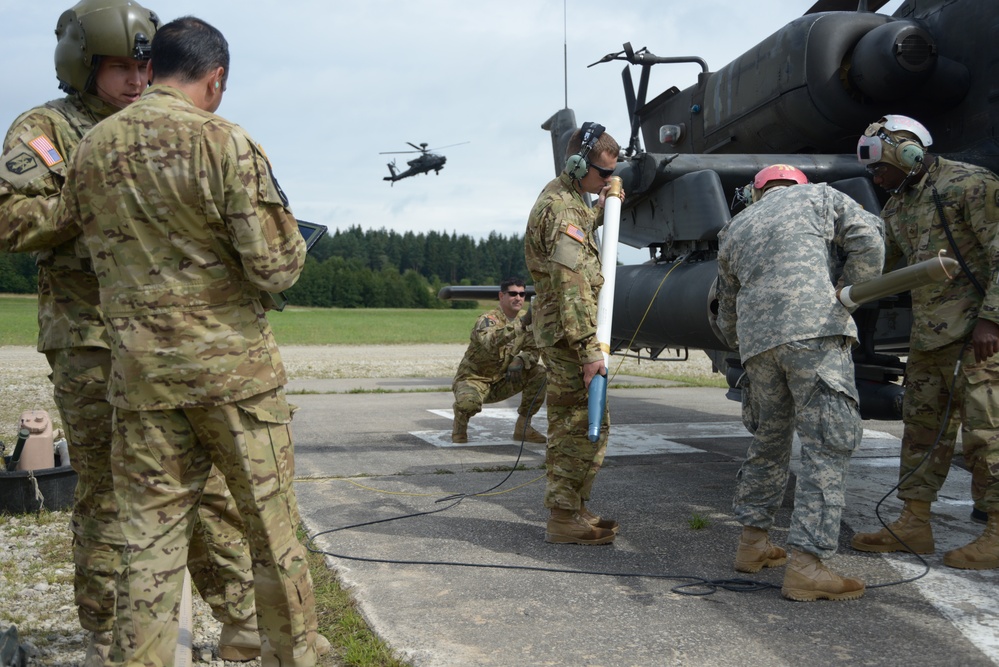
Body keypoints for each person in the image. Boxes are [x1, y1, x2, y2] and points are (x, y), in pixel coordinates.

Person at [54, 15, 323, 665]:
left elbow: (83, 245)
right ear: (215, 78)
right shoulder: (226, 143)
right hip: (233, 376)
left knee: (147, 542)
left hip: (143, 378)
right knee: (271, 530)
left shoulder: (92, 148)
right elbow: (276, 267)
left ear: (150, 70)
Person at [0, 2, 261, 663]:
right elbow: (11, 222)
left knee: (203, 484)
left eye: (144, 66)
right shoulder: (47, 128)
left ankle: (234, 622)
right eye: (120, 68)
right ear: (83, 67)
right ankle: (112, 631)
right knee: (111, 490)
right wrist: (95, 193)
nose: (137, 80)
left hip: (175, 335)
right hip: (89, 335)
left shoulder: (174, 124)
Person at [716, 164, 884, 601]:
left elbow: (725, 306)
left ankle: (752, 546)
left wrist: (748, 341)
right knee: (827, 445)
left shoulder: (735, 226)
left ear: (758, 192)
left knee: (769, 442)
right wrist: (847, 297)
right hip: (814, 330)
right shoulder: (821, 197)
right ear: (798, 185)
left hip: (758, 345)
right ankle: (807, 565)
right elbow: (868, 238)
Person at [851, 115, 999, 570]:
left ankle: (996, 531)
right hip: (931, 339)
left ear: (906, 151)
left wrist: (992, 319)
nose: (876, 176)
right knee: (921, 436)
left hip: (979, 338)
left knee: (986, 434)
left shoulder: (970, 184)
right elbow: (881, 271)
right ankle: (914, 522)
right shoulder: (898, 207)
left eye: (880, 165)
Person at [525, 122, 621, 546]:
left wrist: (604, 204)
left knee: (575, 421)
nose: (608, 179)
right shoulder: (564, 211)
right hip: (570, 335)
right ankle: (564, 516)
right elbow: (571, 284)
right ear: (578, 164)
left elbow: (579, 234)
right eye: (603, 173)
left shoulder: (570, 201)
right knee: (579, 424)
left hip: (562, 330)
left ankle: (574, 508)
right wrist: (588, 350)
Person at [451, 277, 547, 444]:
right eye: (513, 294)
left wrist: (520, 360)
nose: (518, 298)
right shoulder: (488, 319)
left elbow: (533, 350)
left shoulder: (527, 320)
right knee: (468, 404)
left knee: (539, 373)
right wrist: (522, 324)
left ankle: (523, 428)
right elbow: (490, 342)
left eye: (522, 294)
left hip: (503, 380)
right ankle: (460, 426)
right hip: (474, 380)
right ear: (501, 296)